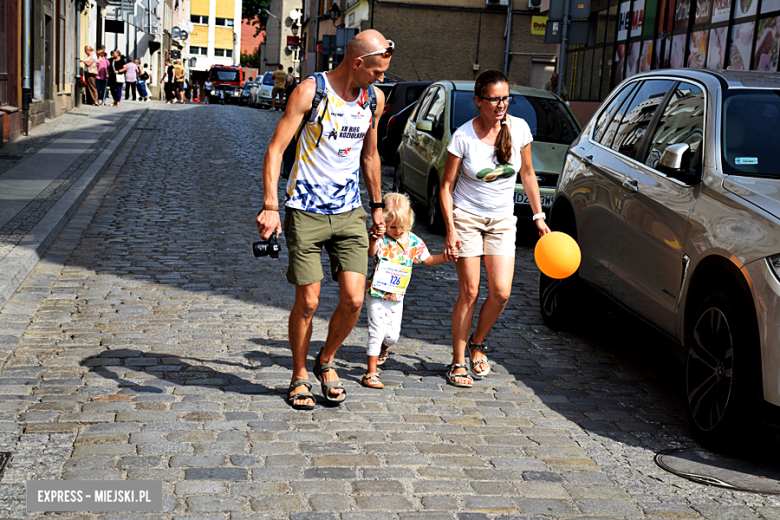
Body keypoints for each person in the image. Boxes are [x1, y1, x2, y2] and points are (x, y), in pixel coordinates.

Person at [255, 29, 393, 409]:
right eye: (377, 71)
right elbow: (276, 148)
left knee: (352, 300)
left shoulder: (372, 99)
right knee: (309, 301)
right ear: (357, 62)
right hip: (305, 210)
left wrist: (377, 207)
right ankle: (299, 375)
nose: (381, 79)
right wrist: (270, 205)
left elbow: (370, 156)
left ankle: (326, 359)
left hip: (349, 212)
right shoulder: (309, 91)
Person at [440, 70, 551, 388]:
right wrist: (451, 229)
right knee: (471, 291)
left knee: (501, 293)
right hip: (467, 218)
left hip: (503, 220)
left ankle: (477, 342)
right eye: (494, 99)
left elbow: (528, 174)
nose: (501, 104)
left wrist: (538, 216)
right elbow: (446, 186)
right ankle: (458, 361)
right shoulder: (463, 136)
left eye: (505, 98)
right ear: (479, 101)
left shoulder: (519, 130)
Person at [362, 193, 448, 389]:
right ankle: (371, 373)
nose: (398, 231)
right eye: (392, 227)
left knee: (392, 336)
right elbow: (370, 253)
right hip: (376, 293)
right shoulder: (381, 238)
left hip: (397, 297)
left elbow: (427, 260)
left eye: (402, 227)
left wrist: (445, 257)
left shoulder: (414, 242)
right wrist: (373, 238)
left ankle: (385, 348)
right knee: (376, 331)